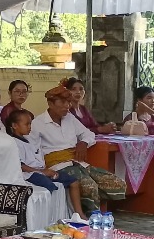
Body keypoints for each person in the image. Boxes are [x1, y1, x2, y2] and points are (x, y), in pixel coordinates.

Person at [30, 85, 124, 213]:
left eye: (68, 102)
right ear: (50, 104)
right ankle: (90, 217)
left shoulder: (69, 118)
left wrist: (83, 143)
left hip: (77, 163)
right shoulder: (37, 123)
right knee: (89, 187)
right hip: (57, 166)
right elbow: (32, 150)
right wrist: (42, 170)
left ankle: (91, 208)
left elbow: (88, 134)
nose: (67, 106)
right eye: (63, 102)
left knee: (116, 183)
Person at [7, 108, 84, 217]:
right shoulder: (14, 143)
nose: (30, 127)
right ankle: (49, 217)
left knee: (73, 182)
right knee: (50, 186)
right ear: (15, 125)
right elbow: (21, 166)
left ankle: (79, 214)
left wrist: (46, 170)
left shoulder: (28, 141)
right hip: (30, 174)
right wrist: (42, 172)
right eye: (27, 124)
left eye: (30, 124)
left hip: (41, 170)